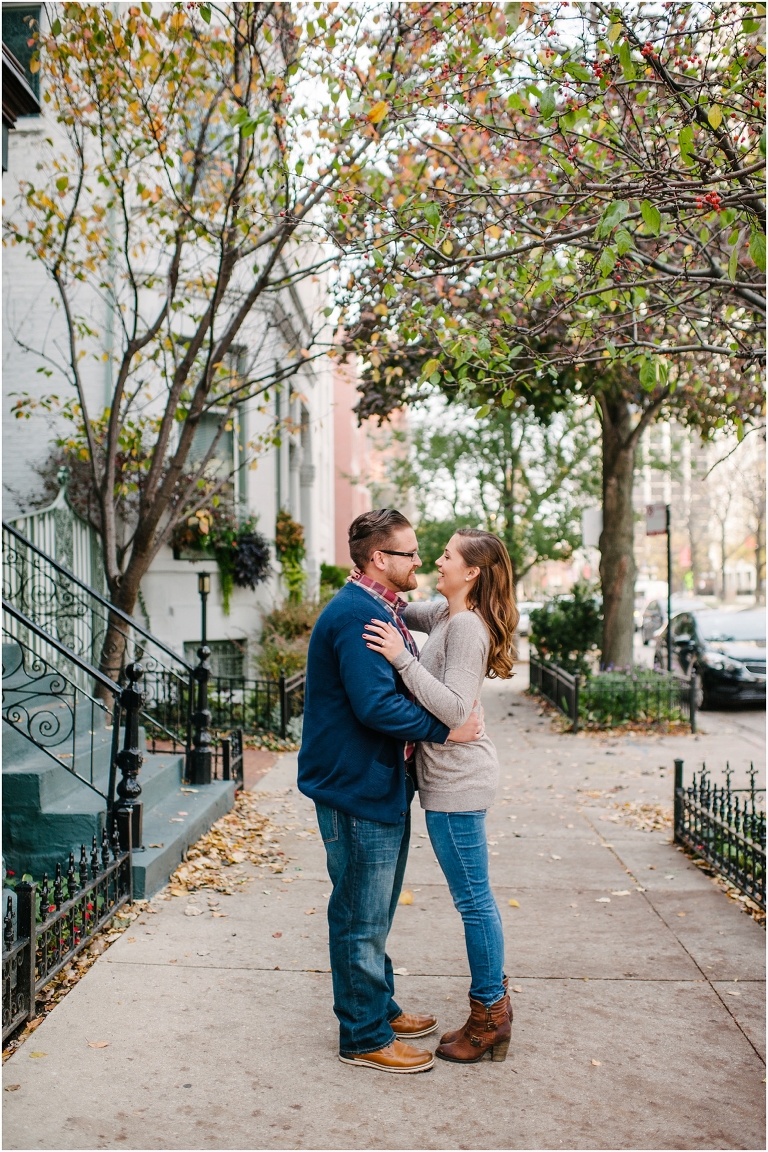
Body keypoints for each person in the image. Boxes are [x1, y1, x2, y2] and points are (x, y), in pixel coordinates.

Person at [297, 509, 485, 1074]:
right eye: (409, 552)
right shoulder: (358, 615)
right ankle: (364, 1036)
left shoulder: (380, 606)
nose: (421, 561)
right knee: (359, 914)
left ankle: (379, 1002)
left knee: (372, 909)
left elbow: (445, 622)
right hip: (354, 787)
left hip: (376, 782)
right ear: (380, 559)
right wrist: (445, 729)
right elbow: (376, 705)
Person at [363, 528, 518, 1063]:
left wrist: (403, 663)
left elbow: (454, 709)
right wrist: (367, 577)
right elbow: (404, 609)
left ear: (472, 572)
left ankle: (489, 1017)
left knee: (474, 903)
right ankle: (492, 1008)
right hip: (451, 779)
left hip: (458, 783)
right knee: (475, 900)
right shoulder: (448, 615)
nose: (436, 559)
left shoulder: (468, 627)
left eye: (448, 555)